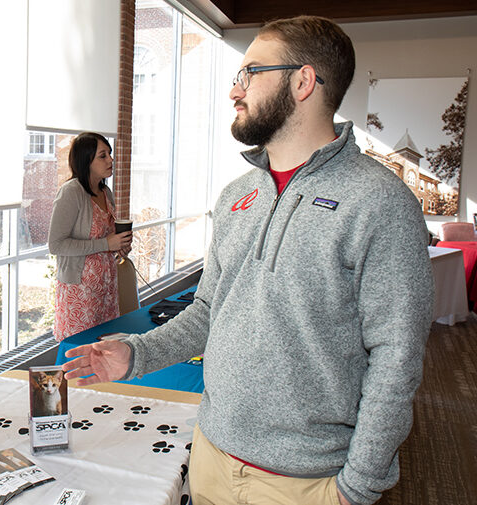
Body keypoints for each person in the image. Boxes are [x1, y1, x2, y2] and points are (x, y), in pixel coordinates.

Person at [63, 16, 433, 505]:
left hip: (307, 484)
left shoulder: (380, 203)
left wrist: (356, 487)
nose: (234, 91)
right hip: (211, 458)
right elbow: (208, 312)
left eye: (250, 73)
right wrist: (138, 353)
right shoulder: (239, 195)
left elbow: (396, 358)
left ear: (303, 81)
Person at [48, 132, 132, 341]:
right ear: (86, 160)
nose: (110, 160)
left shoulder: (106, 191)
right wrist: (106, 243)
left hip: (107, 288)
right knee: (80, 354)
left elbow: (107, 238)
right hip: (80, 291)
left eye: (109, 154)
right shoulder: (71, 192)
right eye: (103, 156)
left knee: (105, 351)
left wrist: (119, 244)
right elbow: (56, 245)